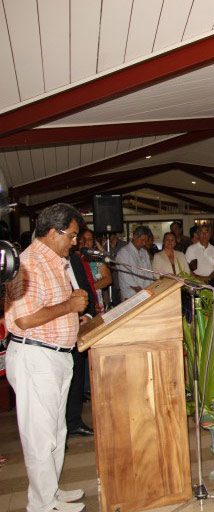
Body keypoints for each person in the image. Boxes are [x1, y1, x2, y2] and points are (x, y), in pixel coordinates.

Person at [4, 203, 89, 512]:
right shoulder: (28, 264)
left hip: (54, 357)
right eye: (73, 235)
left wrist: (74, 316)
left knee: (55, 432)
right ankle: (41, 505)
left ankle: (50, 493)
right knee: (40, 437)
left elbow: (54, 306)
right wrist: (70, 307)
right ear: (54, 233)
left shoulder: (54, 261)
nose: (76, 242)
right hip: (35, 358)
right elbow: (24, 319)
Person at [66, 243, 98, 439]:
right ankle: (59, 431)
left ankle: (74, 422)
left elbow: (87, 290)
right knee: (61, 385)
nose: (74, 242)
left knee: (77, 378)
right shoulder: (47, 266)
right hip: (58, 330)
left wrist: (87, 314)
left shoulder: (75, 261)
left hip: (79, 327)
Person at [116, 226, 155, 300]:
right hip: (130, 296)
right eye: (142, 240)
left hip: (145, 294)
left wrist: (151, 290)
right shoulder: (123, 253)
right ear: (134, 237)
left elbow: (149, 274)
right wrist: (143, 293)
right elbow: (128, 278)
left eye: (145, 241)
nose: (144, 243)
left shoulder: (144, 252)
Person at [78, 229, 111, 311]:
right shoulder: (73, 258)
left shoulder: (97, 259)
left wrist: (89, 289)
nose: (86, 242)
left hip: (96, 299)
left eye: (89, 240)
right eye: (84, 239)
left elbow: (108, 279)